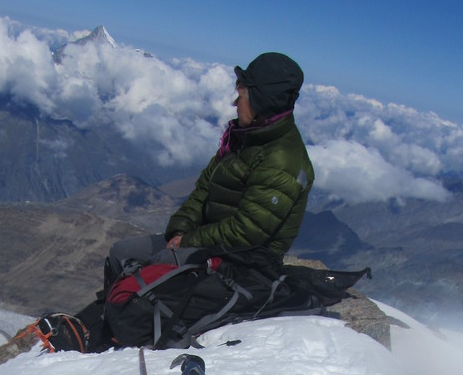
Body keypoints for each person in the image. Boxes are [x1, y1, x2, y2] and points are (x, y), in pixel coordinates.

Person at [106, 51, 314, 280]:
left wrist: (186, 242)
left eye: (242, 95)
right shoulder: (243, 138)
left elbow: (247, 232)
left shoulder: (282, 160)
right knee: (121, 253)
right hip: (207, 242)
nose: (235, 103)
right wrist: (181, 228)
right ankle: (112, 312)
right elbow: (204, 189)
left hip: (243, 262)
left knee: (148, 273)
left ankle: (124, 312)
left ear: (261, 102)